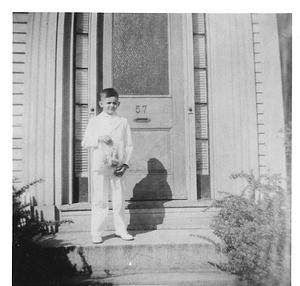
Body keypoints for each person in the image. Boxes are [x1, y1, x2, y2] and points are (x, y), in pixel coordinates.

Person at [82, 88, 134, 244]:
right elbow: (85, 142)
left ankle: (121, 230)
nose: (111, 106)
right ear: (101, 103)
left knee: (119, 199)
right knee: (100, 199)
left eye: (114, 103)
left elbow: (129, 145)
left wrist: (125, 164)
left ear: (118, 103)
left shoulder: (123, 122)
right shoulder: (95, 121)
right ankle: (97, 232)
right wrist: (98, 138)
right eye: (108, 103)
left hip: (117, 167)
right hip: (100, 167)